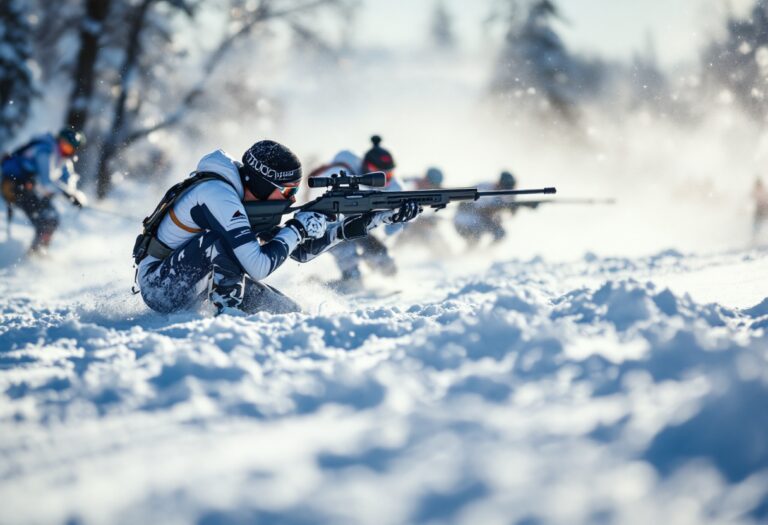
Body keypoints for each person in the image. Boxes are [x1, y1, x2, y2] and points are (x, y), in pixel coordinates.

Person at [133, 140, 421, 315]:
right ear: (263, 184)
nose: (292, 199)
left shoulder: (246, 197)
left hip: (203, 282)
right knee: (217, 242)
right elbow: (258, 266)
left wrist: (375, 220)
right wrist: (296, 228)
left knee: (289, 314)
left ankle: (228, 309)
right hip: (161, 288)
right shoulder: (216, 194)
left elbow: (301, 253)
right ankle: (228, 319)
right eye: (286, 191)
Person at [310, 136, 408, 293]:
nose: (384, 179)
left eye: (388, 174)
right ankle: (320, 286)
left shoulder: (394, 187)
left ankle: (365, 276)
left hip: (363, 226)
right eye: (378, 172)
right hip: (330, 225)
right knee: (351, 269)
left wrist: (401, 217)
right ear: (365, 165)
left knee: (388, 266)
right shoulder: (342, 168)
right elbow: (318, 200)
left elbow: (392, 229)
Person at [1, 128, 87, 254]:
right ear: (59, 140)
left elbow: (66, 181)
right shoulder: (45, 149)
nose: (66, 149)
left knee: (51, 219)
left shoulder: (61, 158)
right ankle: (35, 255)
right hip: (13, 186)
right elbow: (45, 181)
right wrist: (67, 194)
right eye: (64, 144)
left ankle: (39, 252)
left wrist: (74, 195)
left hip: (30, 188)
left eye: (70, 148)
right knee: (47, 219)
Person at [453, 171, 523, 247]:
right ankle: (471, 255)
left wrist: (511, 210)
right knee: (474, 240)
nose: (505, 190)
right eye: (504, 187)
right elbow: (481, 209)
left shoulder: (507, 194)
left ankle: (487, 254)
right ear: (499, 183)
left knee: (500, 233)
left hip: (480, 222)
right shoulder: (483, 188)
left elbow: (507, 215)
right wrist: (496, 210)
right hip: (465, 221)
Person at [753, 176, 768, 244]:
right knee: (756, 224)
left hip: (764, 209)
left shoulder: (764, 191)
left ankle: (757, 236)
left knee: (759, 223)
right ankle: (755, 237)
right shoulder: (755, 191)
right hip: (759, 210)